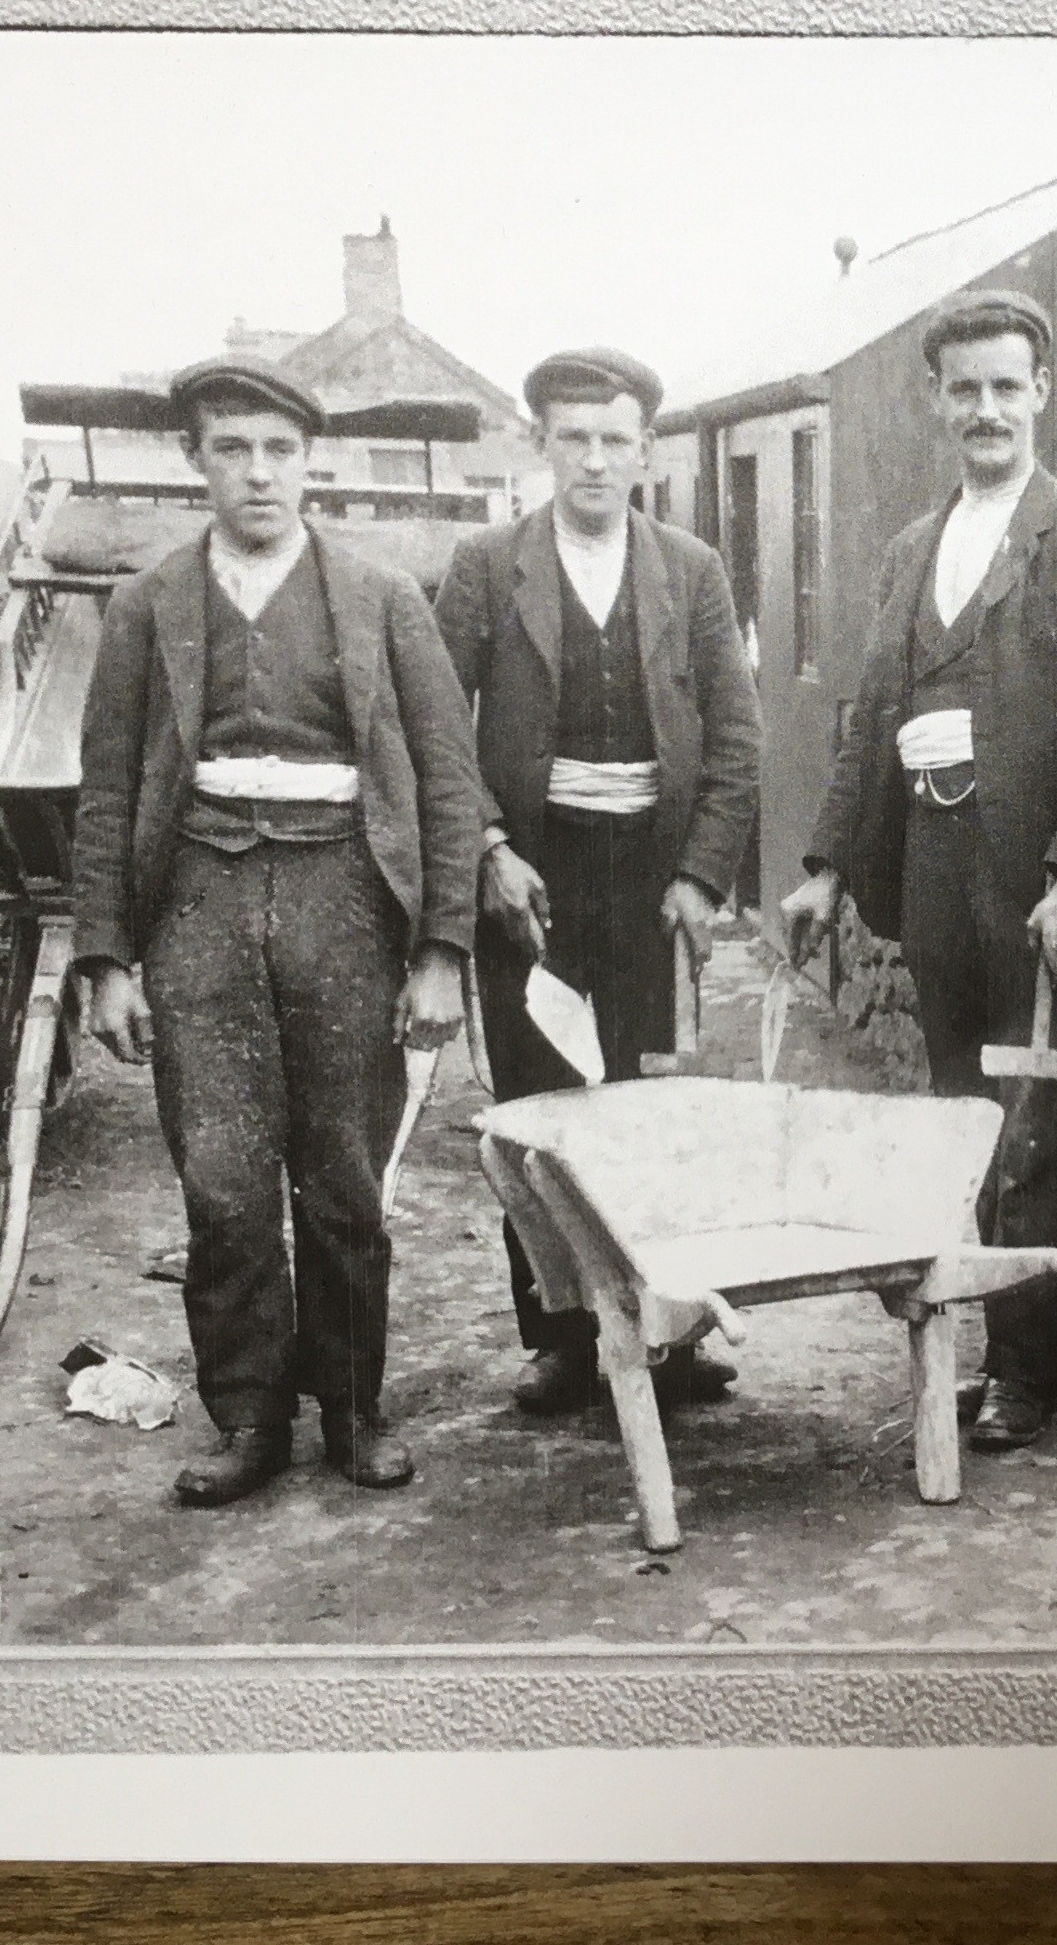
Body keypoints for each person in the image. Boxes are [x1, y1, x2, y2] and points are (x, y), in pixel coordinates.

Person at [71, 354, 484, 1507]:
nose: (258, 473)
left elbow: (447, 782)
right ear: (195, 460)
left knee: (343, 1176)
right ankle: (247, 1413)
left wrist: (440, 948)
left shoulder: (383, 599)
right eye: (233, 448)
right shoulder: (148, 605)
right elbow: (106, 793)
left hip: (343, 897)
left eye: (279, 450)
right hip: (197, 899)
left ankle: (353, 1405)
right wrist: (105, 958)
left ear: (313, 463)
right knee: (222, 1177)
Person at [779, 286, 1057, 1450]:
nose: (986, 410)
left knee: (1036, 1124)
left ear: (1040, 391)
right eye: (965, 390)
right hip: (938, 875)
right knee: (959, 1124)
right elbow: (868, 724)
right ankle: (996, 1336)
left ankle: (1033, 1370)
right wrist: (825, 868)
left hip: (1048, 888)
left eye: (1007, 386)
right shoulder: (911, 549)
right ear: (936, 402)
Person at [433, 347, 762, 1417]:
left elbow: (736, 740)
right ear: (540, 444)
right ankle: (565, 1337)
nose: (592, 459)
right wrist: (487, 852)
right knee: (541, 1111)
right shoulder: (489, 567)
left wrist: (702, 877)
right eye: (572, 436)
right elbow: (439, 734)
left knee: (650, 1103)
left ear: (643, 450)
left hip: (650, 876)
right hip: (535, 877)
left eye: (613, 438)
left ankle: (668, 1331)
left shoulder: (692, 569)